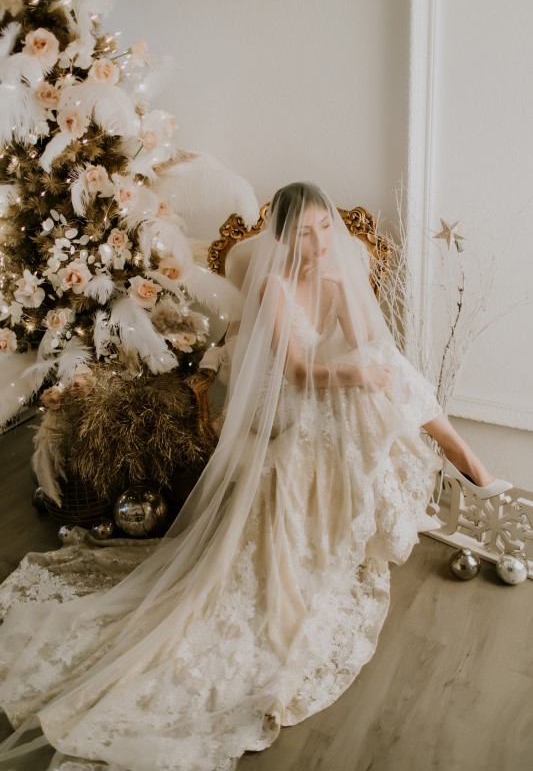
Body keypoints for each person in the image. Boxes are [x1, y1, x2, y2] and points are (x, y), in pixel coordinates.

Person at [0, 182, 511, 771]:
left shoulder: (341, 278)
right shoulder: (272, 285)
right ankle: (466, 462)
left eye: (325, 229)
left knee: (387, 365)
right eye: (305, 233)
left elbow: (373, 347)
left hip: (334, 392)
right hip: (290, 403)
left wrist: (362, 342)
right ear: (285, 238)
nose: (319, 243)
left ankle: (464, 460)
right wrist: (358, 378)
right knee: (369, 381)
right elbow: (295, 373)